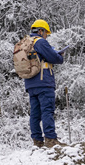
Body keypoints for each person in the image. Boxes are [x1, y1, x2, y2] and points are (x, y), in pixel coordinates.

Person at [24, 19, 65, 148]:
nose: (46, 36)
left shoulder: (25, 43)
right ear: (41, 31)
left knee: (35, 114)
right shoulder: (40, 42)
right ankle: (51, 139)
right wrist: (59, 55)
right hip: (44, 82)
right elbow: (54, 58)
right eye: (46, 33)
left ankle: (37, 141)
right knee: (47, 110)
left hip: (30, 84)